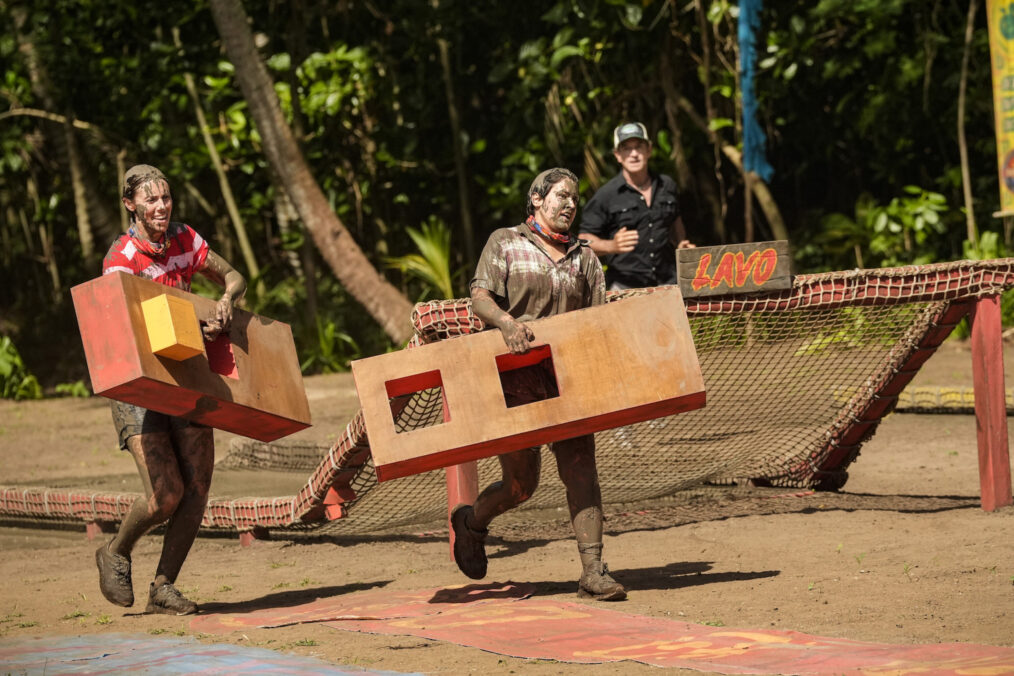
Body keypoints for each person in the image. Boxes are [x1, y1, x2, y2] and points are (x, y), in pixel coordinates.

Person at [450, 167, 626, 601]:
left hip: (567, 379)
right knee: (520, 485)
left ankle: (593, 571)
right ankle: (470, 523)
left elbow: (598, 319)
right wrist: (507, 323)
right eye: (561, 196)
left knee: (581, 468)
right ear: (536, 199)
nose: (569, 204)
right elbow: (479, 297)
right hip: (514, 379)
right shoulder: (505, 242)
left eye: (574, 198)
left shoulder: (585, 257)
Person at [95, 164, 246, 615]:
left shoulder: (184, 238)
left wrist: (224, 302)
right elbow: (122, 327)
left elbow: (235, 276)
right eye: (150, 201)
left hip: (184, 372)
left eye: (166, 198)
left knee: (197, 487)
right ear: (130, 205)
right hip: (136, 383)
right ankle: (115, 552)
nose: (161, 208)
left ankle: (164, 587)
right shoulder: (120, 260)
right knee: (165, 495)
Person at [578, 122, 693, 291]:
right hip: (626, 287)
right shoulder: (607, 195)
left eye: (639, 147)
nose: (634, 154)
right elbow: (582, 241)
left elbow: (675, 222)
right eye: (626, 148)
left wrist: (681, 244)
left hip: (669, 282)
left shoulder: (667, 185)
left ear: (649, 150)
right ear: (617, 155)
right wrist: (612, 246)